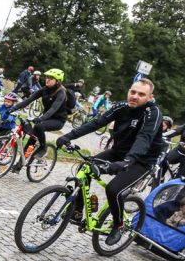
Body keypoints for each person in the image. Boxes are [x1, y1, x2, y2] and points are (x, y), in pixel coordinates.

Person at [56, 79, 165, 245]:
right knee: (85, 168)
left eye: (141, 94)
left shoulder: (153, 113)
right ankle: (78, 211)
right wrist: (67, 136)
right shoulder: (121, 107)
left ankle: (119, 224)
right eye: (133, 92)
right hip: (118, 152)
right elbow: (96, 123)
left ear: (150, 97)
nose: (135, 96)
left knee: (114, 189)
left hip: (141, 160)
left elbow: (144, 138)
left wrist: (128, 161)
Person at [10, 68, 69, 158]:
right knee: (32, 139)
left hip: (58, 120)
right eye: (47, 77)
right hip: (46, 117)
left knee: (39, 126)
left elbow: (53, 109)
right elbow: (29, 100)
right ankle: (19, 164)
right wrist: (13, 108)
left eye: (51, 78)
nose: (47, 79)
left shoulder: (61, 93)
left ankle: (43, 148)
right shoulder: (45, 89)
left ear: (57, 81)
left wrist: (41, 118)